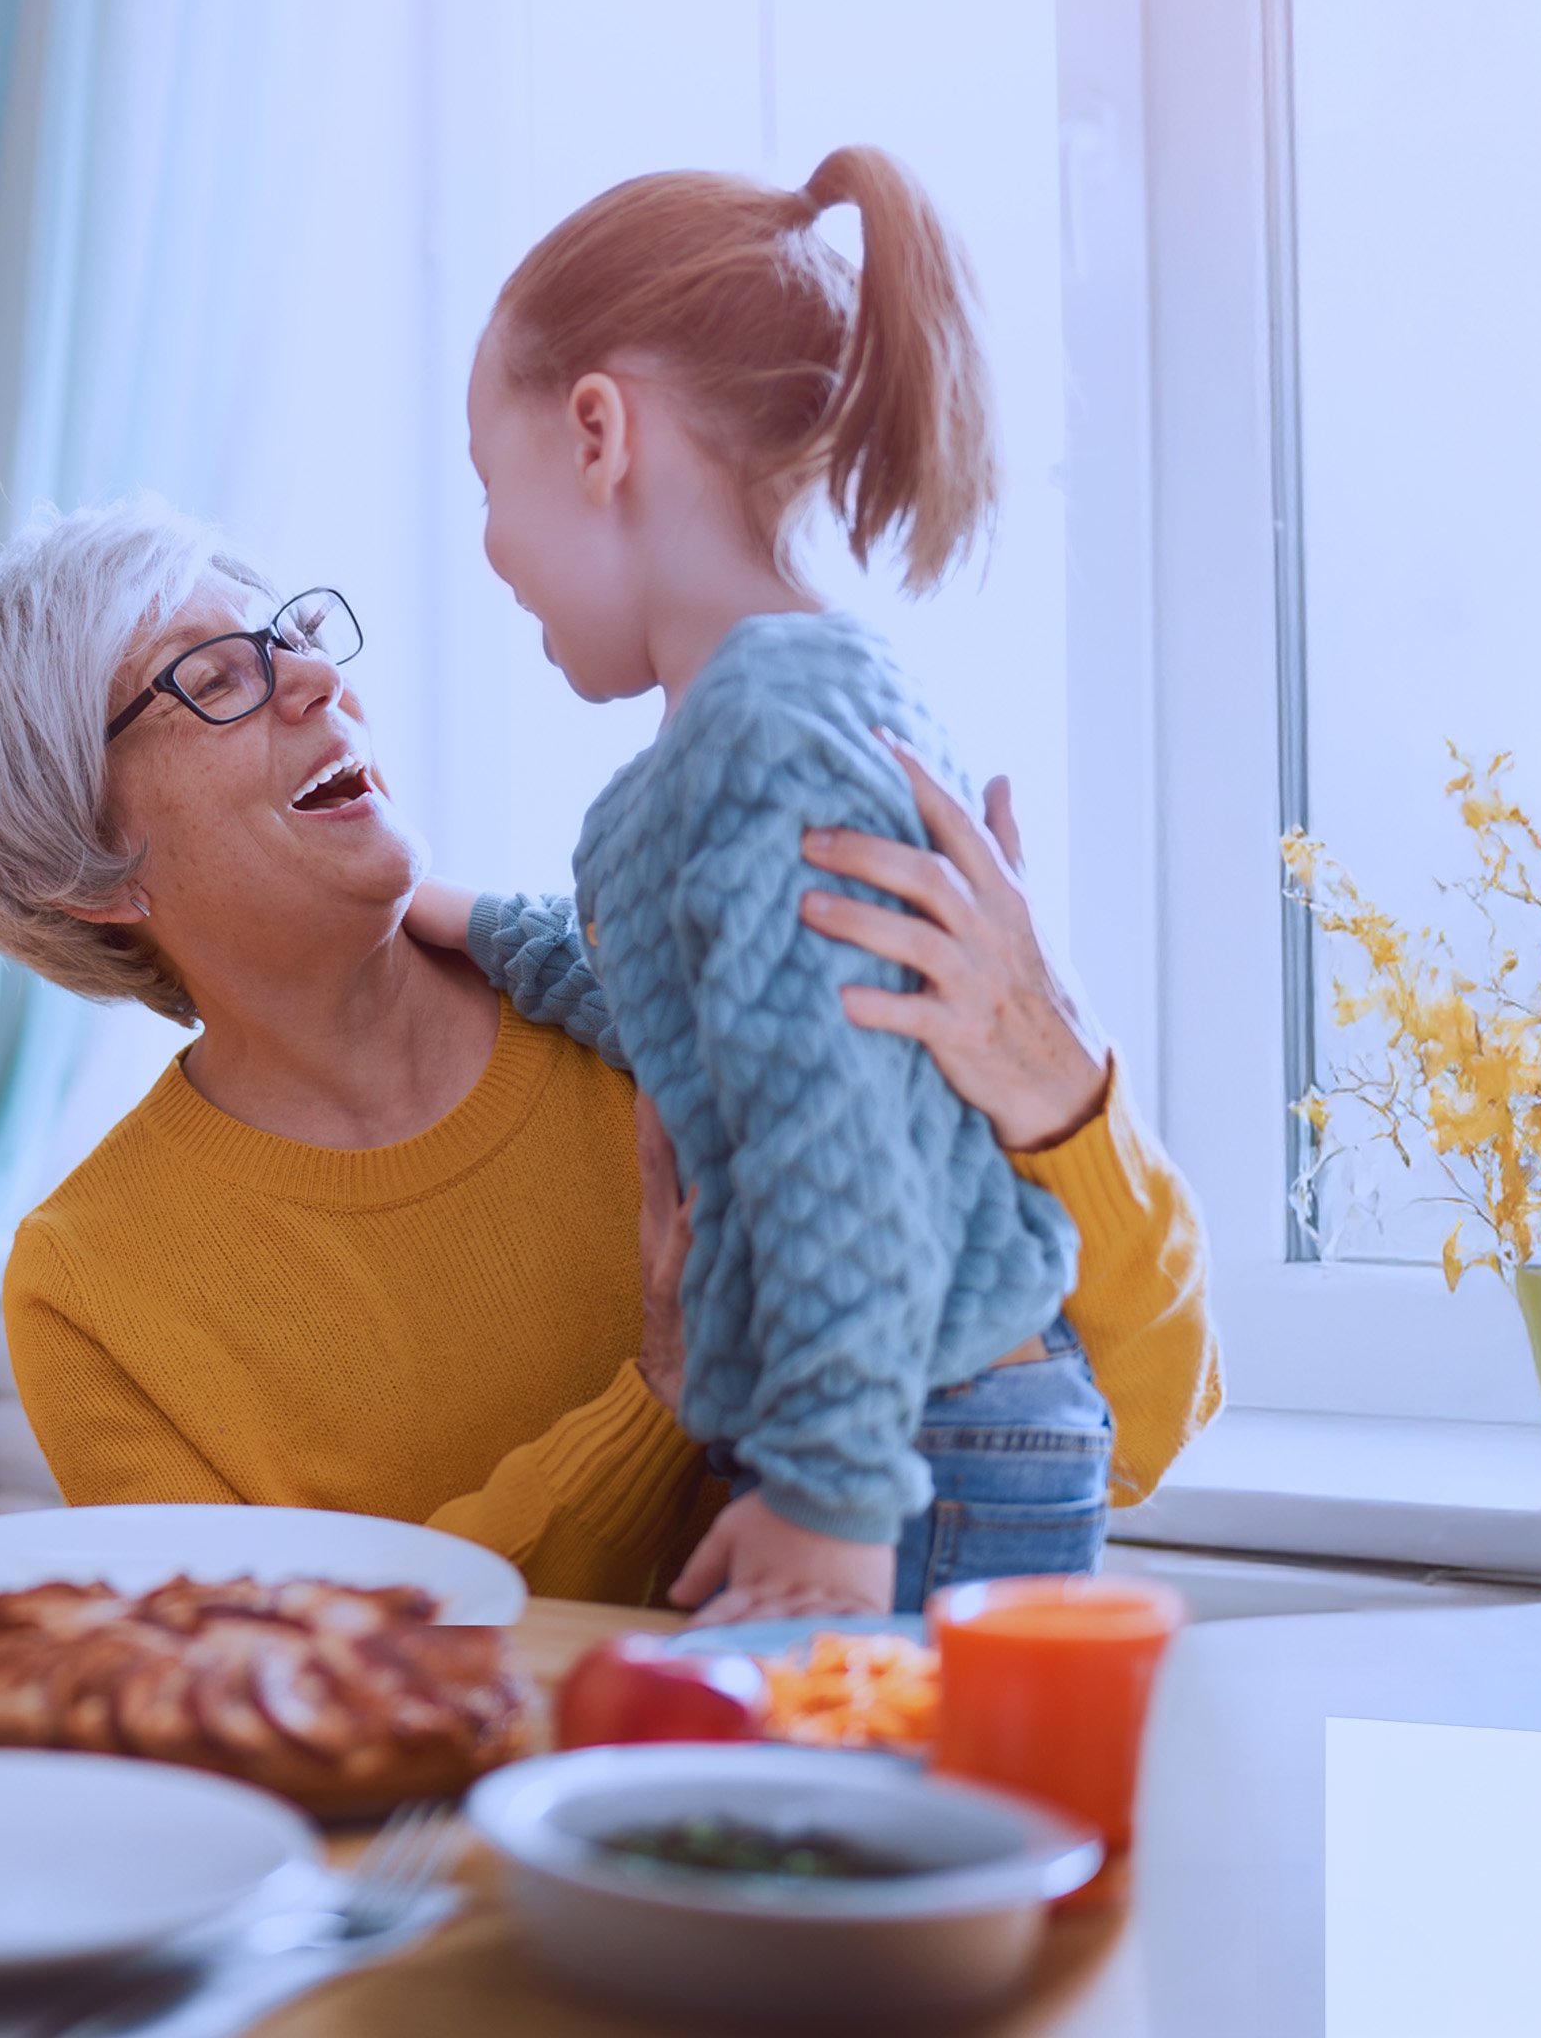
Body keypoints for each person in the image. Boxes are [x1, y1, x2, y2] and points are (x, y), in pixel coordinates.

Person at [0, 499, 1213, 1610]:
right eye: (216, 679)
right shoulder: (94, 1283)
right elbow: (286, 1671)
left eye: (296, 636)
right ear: (92, 872)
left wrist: (1055, 1092)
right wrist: (655, 1401)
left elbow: (1138, 1427)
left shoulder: (666, 998)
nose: (322, 679)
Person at [422, 147, 1111, 1619]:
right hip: (903, 1419)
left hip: (910, 1438)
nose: (489, 551)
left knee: (868, 1832)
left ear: (598, 431)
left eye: (489, 485)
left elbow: (831, 1128)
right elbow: (683, 1003)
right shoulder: (763, 728)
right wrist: (463, 922)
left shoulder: (761, 743)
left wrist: (831, 1496)